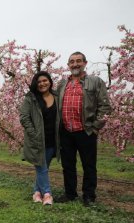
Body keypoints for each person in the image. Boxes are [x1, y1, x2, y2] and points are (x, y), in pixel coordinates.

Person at [56, 51, 111, 206]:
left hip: (86, 131)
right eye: (72, 61)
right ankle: (70, 194)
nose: (75, 64)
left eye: (78, 61)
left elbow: (105, 107)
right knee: (68, 165)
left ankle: (88, 195)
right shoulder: (62, 84)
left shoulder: (95, 81)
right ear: (68, 65)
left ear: (85, 63)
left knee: (89, 165)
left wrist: (95, 128)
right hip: (66, 131)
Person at [20, 71, 59, 205]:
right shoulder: (31, 98)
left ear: (50, 81)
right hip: (37, 140)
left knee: (44, 167)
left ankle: (37, 192)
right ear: (35, 84)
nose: (42, 83)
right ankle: (47, 194)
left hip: (52, 139)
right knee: (41, 167)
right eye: (39, 81)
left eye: (45, 80)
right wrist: (33, 133)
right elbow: (24, 117)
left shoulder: (57, 96)